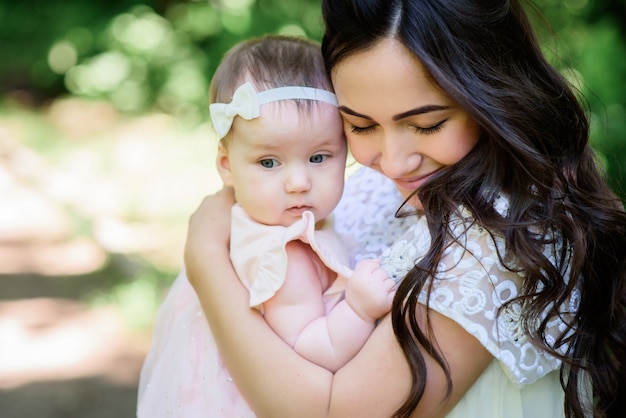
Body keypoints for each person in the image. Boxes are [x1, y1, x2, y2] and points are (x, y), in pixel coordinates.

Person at [183, 1, 626, 417]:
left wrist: (206, 261)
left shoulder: (496, 236)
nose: (392, 162)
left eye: (428, 124)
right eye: (361, 125)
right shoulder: (372, 186)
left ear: (491, 95)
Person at [136, 35, 395, 417]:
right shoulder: (285, 253)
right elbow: (311, 346)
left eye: (319, 157)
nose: (298, 182)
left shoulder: (266, 223)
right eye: (269, 163)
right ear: (226, 165)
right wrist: (358, 309)